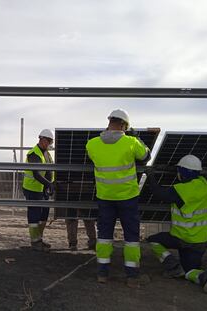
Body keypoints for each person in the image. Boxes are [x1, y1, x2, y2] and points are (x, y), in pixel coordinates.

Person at [85, 109, 151, 287]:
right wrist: (136, 137)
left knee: (104, 235)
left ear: (109, 122)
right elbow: (146, 156)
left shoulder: (92, 144)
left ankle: (102, 274)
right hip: (128, 197)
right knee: (131, 237)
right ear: (124, 126)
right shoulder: (131, 142)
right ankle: (132, 276)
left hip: (105, 197)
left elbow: (95, 155)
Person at [146, 154, 207, 294]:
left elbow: (158, 193)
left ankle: (173, 267)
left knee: (153, 241)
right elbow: (189, 173)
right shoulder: (204, 183)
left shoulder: (182, 191)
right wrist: (169, 168)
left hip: (181, 238)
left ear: (182, 173)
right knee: (189, 271)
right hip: (200, 242)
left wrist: (150, 175)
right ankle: (204, 277)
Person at [22, 129, 55, 252]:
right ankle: (35, 242)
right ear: (41, 139)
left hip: (42, 189)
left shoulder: (47, 153)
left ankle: (39, 239)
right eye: (48, 141)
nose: (49, 144)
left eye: (51, 142)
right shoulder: (34, 153)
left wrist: (50, 185)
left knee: (44, 215)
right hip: (32, 189)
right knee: (34, 215)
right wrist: (49, 184)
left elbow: (50, 170)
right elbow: (36, 174)